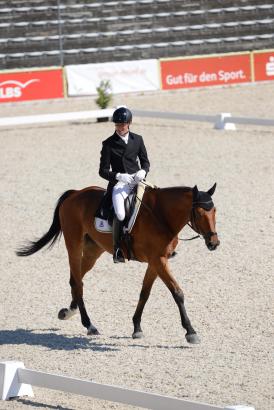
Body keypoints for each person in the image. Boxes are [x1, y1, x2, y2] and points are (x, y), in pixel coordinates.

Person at [99, 107, 150, 263]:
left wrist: (143, 171)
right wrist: (118, 176)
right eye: (117, 125)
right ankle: (118, 249)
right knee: (120, 214)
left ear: (129, 124)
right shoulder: (108, 144)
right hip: (120, 184)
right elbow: (102, 171)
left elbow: (145, 161)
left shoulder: (138, 139)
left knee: (154, 204)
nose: (120, 128)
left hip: (137, 180)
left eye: (123, 125)